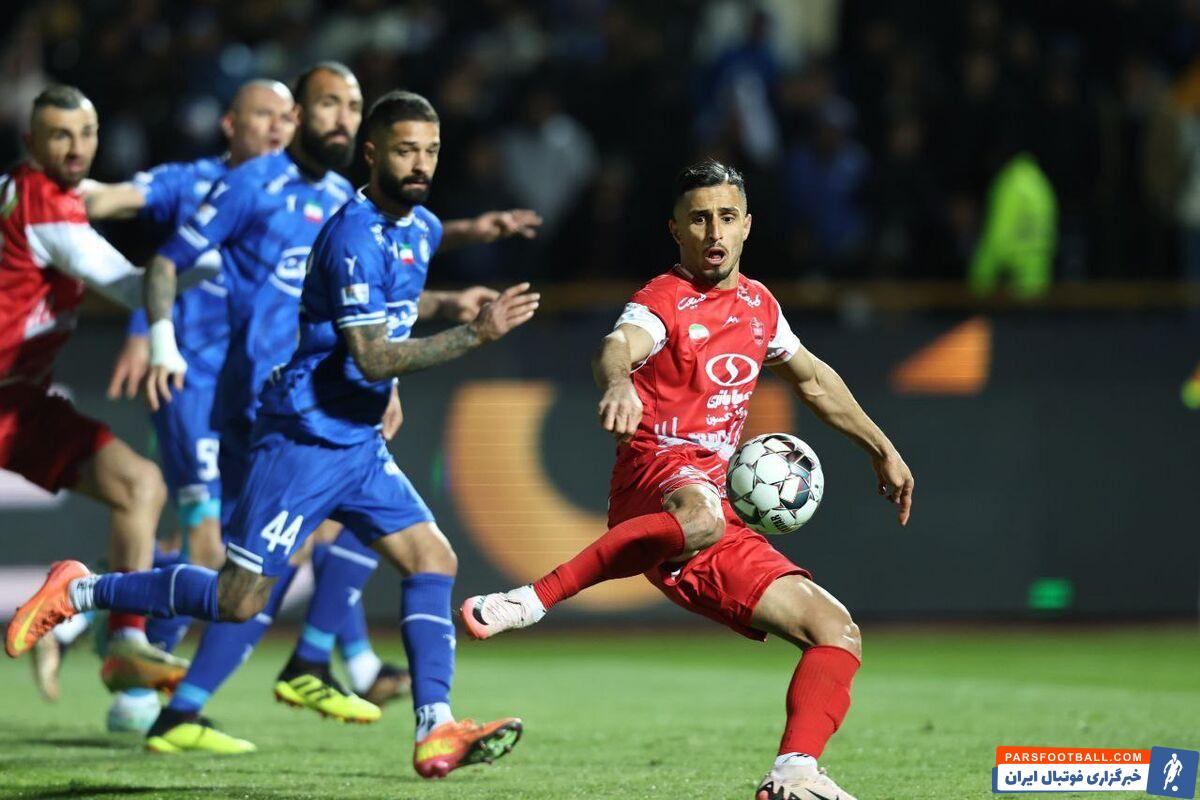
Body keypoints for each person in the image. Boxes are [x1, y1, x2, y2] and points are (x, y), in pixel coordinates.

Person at [9, 87, 538, 780]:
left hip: (357, 441)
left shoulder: (423, 228)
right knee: (237, 596)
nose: (420, 164)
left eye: (431, 151)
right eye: (406, 150)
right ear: (372, 154)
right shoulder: (347, 232)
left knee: (432, 559)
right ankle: (83, 593)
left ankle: (431, 725)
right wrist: (474, 334)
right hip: (302, 439)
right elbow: (370, 354)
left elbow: (397, 311)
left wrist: (436, 322)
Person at [462, 160, 915, 800]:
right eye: (699, 219)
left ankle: (793, 774)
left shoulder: (759, 307)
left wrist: (881, 448)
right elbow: (617, 345)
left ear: (747, 225)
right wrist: (619, 382)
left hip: (714, 513)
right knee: (700, 512)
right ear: (675, 229)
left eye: (726, 217)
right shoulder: (662, 300)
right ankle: (531, 600)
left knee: (835, 631)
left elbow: (813, 379)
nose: (714, 232)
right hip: (654, 478)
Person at [49, 78, 299, 733]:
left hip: (257, 397)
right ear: (230, 124)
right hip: (190, 384)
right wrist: (44, 193)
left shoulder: (304, 197)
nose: (277, 127)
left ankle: (102, 600)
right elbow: (113, 200)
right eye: (262, 115)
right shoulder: (193, 182)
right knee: (208, 542)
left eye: (286, 116)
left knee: (241, 545)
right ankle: (140, 684)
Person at [0, 85, 201, 695]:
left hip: (19, 403)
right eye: (59, 135)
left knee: (140, 486)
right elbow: (135, 287)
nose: (76, 147)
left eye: (86, 134)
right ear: (32, 142)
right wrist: (231, 263)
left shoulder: (26, 193)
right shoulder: (45, 206)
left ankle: (126, 641)